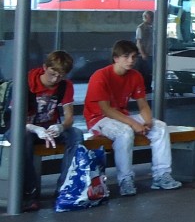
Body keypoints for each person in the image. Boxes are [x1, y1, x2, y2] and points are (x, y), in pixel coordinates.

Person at [83, 40, 181, 195]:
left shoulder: (135, 76)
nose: (131, 60)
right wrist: (134, 124)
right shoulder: (100, 76)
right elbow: (106, 110)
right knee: (125, 132)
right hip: (98, 119)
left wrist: (147, 121)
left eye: (134, 57)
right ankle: (125, 180)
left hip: (121, 116)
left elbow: (143, 104)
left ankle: (161, 175)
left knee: (160, 127)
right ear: (116, 58)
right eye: (126, 56)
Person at [17, 50, 83, 211]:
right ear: (45, 67)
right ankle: (30, 193)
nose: (55, 79)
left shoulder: (65, 86)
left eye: (60, 76)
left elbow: (69, 118)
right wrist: (34, 128)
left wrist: (60, 127)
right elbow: (17, 118)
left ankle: (63, 189)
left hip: (49, 127)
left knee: (76, 135)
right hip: (24, 127)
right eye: (52, 74)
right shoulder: (26, 82)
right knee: (23, 138)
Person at [135, 9, 154, 91]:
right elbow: (139, 42)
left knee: (149, 72)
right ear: (145, 17)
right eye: (151, 17)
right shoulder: (141, 28)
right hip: (144, 54)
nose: (152, 19)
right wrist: (143, 53)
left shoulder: (153, 27)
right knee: (143, 72)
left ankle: (148, 88)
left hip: (151, 53)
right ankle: (142, 88)